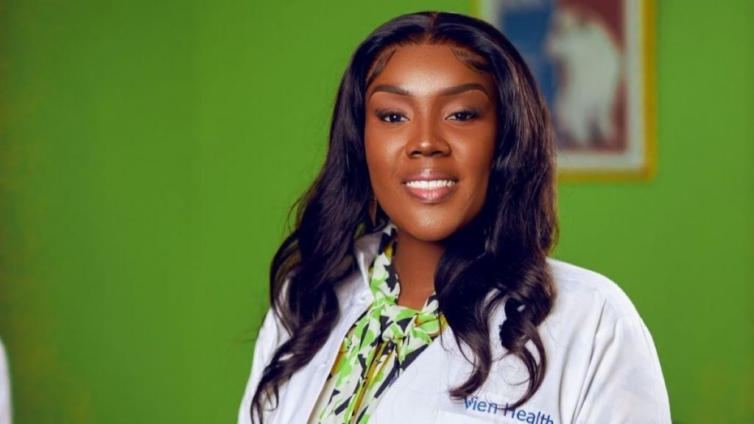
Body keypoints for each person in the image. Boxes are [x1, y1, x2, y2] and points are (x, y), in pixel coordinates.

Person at [238, 11, 670, 424]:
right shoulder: (304, 300)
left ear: (505, 137)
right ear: (360, 140)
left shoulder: (592, 320)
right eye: (393, 116)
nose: (426, 142)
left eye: (461, 115)